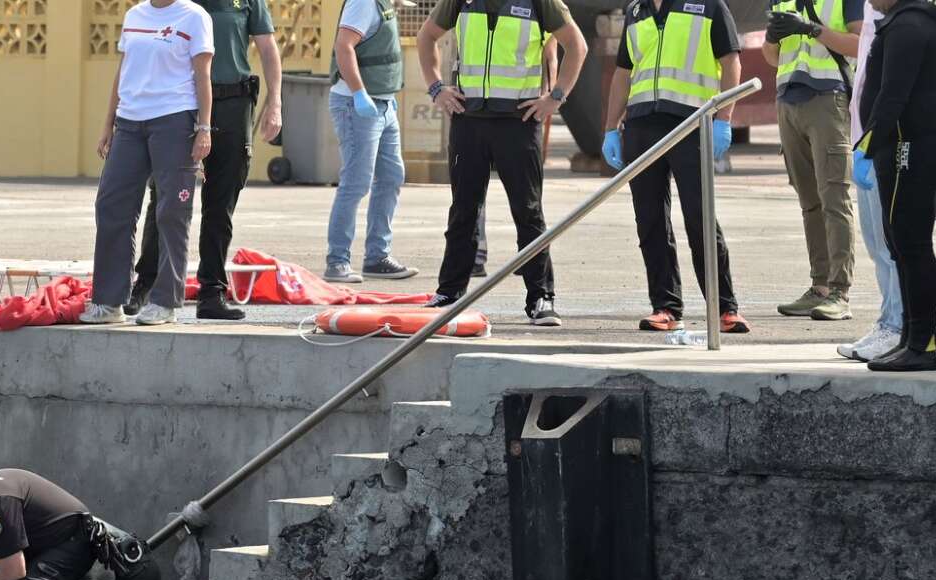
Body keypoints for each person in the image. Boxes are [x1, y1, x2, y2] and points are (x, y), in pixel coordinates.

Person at [415, 0, 585, 326]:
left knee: (528, 211)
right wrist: (436, 88)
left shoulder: (540, 3)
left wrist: (556, 97)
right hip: (469, 118)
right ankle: (450, 293)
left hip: (519, 121)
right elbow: (426, 38)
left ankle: (541, 297)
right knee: (463, 209)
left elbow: (576, 45)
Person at [123, 0, 283, 320]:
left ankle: (212, 291)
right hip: (181, 104)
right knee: (165, 198)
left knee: (220, 202)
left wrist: (275, 102)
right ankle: (148, 282)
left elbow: (267, 47)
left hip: (233, 103)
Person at [601, 0, 752, 334]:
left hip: (691, 122)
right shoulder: (636, 11)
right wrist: (611, 127)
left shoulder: (708, 5)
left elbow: (730, 62)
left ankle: (725, 308)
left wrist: (723, 118)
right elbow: (623, 73)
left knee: (700, 216)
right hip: (641, 125)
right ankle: (666, 307)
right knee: (650, 220)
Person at [78, 0, 217, 326]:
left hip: (174, 121)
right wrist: (108, 123)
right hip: (129, 123)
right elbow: (123, 72)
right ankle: (109, 302)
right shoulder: (134, 15)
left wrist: (204, 128)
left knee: (171, 211)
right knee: (111, 205)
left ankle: (165, 301)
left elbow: (203, 75)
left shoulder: (194, 17)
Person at [853, 0, 936, 370]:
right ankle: (911, 339)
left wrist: (867, 145)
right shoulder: (914, 19)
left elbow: (892, 95)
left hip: (910, 145)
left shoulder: (908, 25)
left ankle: (921, 344)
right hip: (913, 143)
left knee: (911, 245)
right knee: (901, 245)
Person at [765, 0, 863, 322]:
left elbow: (862, 44)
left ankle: (840, 291)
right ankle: (819, 286)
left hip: (828, 98)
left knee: (834, 197)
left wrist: (812, 29)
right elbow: (773, 56)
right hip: (788, 99)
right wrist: (770, 37)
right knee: (809, 201)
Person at [322, 0, 415, 285]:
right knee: (357, 182)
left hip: (383, 103)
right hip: (357, 104)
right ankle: (337, 261)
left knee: (391, 177)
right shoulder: (363, 3)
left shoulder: (383, 2)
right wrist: (359, 93)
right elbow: (344, 47)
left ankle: (377, 257)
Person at [838, 0, 904, 361]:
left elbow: (892, 90)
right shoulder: (873, 11)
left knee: (894, 245)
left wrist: (874, 141)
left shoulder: (905, 19)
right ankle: (888, 321)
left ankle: (897, 326)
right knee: (877, 245)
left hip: (885, 143)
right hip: (864, 140)